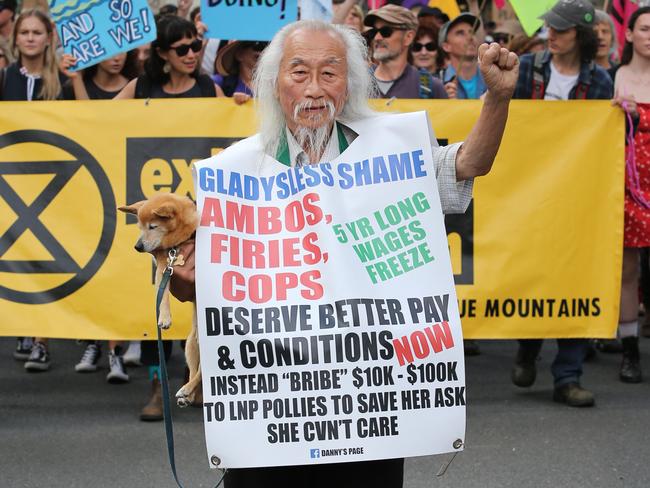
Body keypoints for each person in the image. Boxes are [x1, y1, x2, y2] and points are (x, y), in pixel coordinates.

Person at [171, 18, 518, 488]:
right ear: (273, 84)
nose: (314, 89)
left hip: (366, 405)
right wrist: (187, 277)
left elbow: (470, 163)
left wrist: (497, 98)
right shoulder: (234, 172)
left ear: (350, 83)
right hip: (273, 408)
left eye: (329, 73)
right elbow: (193, 286)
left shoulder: (390, 154)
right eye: (299, 73)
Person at [116, 14, 222, 419]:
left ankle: (195, 380)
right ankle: (158, 386)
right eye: (182, 48)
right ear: (161, 53)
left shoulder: (206, 87)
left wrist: (238, 102)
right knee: (156, 300)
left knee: (199, 299)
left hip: (193, 215)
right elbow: (100, 124)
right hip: (154, 210)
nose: (193, 54)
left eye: (196, 45)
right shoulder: (140, 87)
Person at [511, 0, 614, 407]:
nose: (551, 35)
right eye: (550, 28)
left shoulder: (600, 81)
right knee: (533, 273)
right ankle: (527, 344)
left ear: (582, 36)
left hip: (576, 195)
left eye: (562, 30)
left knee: (575, 276)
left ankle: (568, 375)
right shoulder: (526, 68)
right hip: (528, 190)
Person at [613, 6, 650, 383]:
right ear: (629, 34)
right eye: (645, 28)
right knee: (628, 269)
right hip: (628, 186)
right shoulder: (615, 78)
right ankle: (629, 351)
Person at [365, 4, 447, 100]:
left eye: (386, 31)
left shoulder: (430, 87)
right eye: (374, 32)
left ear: (408, 37)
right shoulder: (356, 83)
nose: (377, 38)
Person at [439, 13, 488, 100]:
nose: (470, 37)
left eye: (472, 32)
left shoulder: (492, 79)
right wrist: (445, 104)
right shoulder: (439, 83)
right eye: (460, 33)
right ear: (446, 46)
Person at [63, 51, 138, 100]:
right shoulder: (76, 87)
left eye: (122, 51)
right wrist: (76, 77)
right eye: (109, 51)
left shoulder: (138, 87)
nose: (117, 58)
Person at [594, 9, 619, 74]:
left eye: (605, 31)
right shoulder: (575, 72)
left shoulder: (621, 73)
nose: (600, 37)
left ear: (612, 38)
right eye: (594, 32)